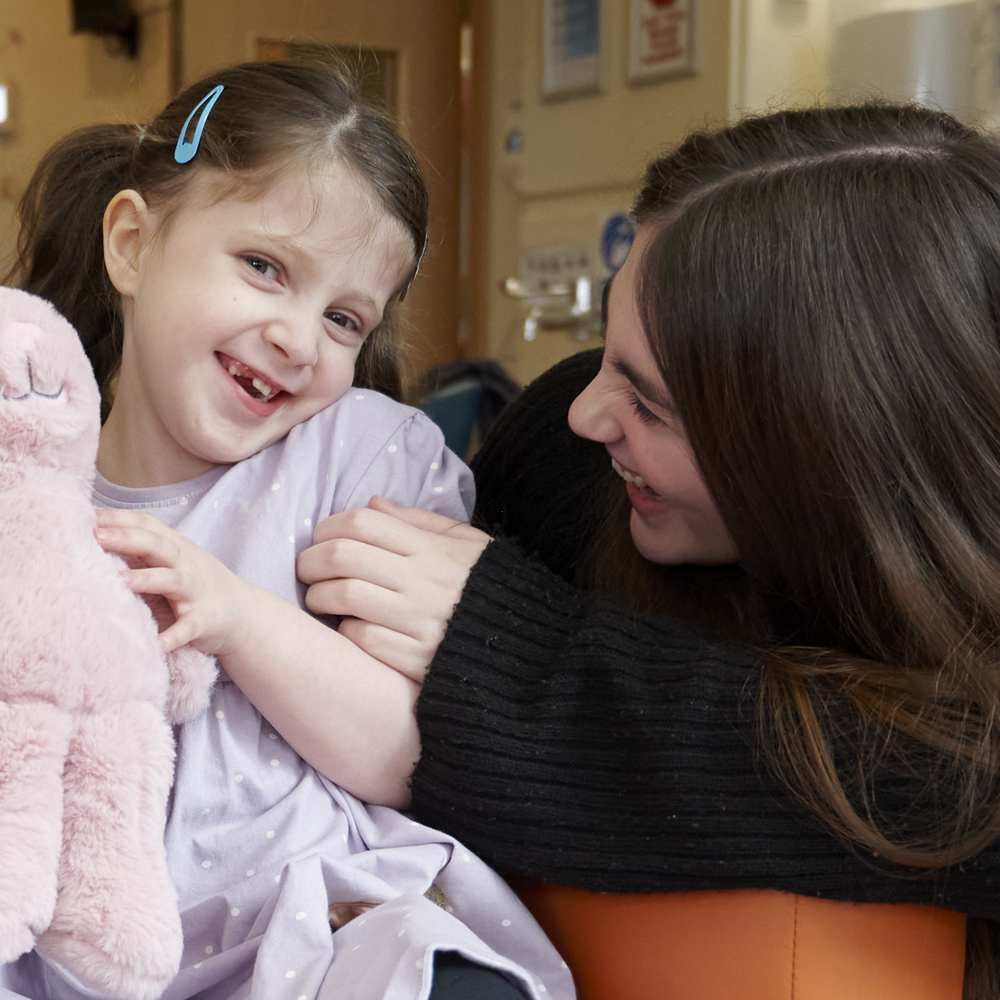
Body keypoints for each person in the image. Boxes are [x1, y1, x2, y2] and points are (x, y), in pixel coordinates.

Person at [296, 103, 1000, 999]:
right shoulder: (570, 459)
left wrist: (524, 664)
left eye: (653, 403)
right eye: (606, 352)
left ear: (832, 453)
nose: (591, 413)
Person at [0, 61, 571, 1000]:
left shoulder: (365, 459)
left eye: (344, 318)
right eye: (264, 268)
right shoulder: (34, 481)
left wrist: (236, 615)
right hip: (67, 953)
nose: (299, 339)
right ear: (134, 246)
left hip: (317, 929)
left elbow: (412, 756)